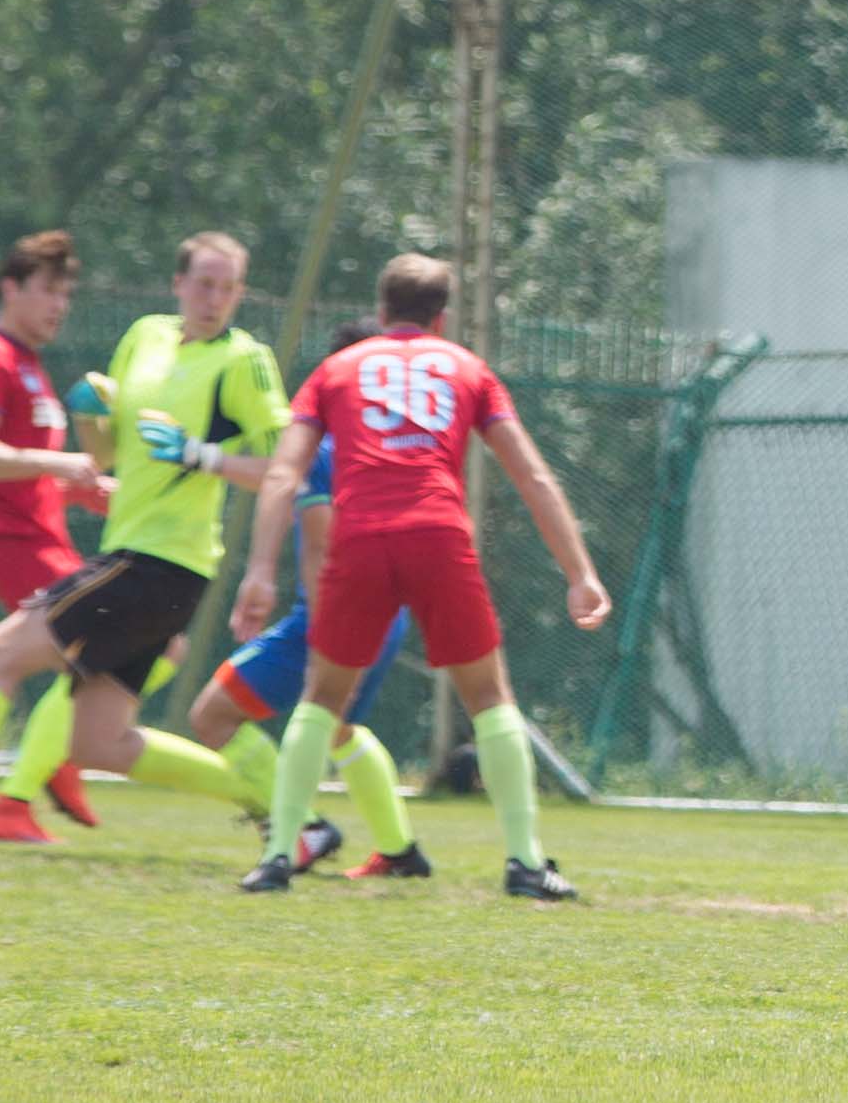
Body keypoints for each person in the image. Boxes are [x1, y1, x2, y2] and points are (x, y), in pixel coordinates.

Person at [0, 232, 287, 848]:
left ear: (241, 293)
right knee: (96, 742)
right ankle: (284, 813)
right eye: (204, 284)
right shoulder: (145, 336)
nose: (214, 299)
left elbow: (281, 469)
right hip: (132, 551)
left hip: (161, 560)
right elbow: (113, 451)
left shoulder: (243, 360)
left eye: (228, 288)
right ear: (178, 284)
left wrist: (202, 455)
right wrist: (93, 427)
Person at [233, 253, 610, 898]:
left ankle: (275, 858)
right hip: (437, 533)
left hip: (359, 538)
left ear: (381, 311)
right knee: (488, 697)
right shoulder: (468, 368)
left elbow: (282, 474)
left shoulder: (335, 371)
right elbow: (531, 474)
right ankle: (525, 863)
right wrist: (580, 572)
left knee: (321, 699)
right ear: (442, 318)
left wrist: (261, 571)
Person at [183, 317, 423, 878]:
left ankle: (303, 831)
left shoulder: (328, 448)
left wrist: (328, 637)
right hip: (386, 613)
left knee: (213, 715)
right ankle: (399, 851)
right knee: (338, 730)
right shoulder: (396, 447)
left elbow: (319, 543)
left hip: (332, 614)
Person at [0, 231, 128, 844]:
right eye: (48, 291)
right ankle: (36, 780)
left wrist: (78, 490)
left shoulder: (29, 364)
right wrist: (60, 465)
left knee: (121, 649)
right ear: (11, 289)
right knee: (129, 644)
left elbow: (27, 478)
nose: (60, 305)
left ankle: (40, 778)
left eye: (67, 293)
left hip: (42, 536)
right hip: (13, 542)